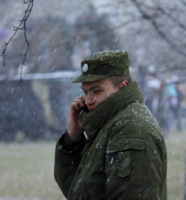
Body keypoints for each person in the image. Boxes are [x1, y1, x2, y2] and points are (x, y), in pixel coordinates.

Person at [54, 50, 167, 200]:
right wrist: (72, 139)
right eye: (86, 92)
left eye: (96, 91)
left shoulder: (131, 128)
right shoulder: (109, 124)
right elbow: (78, 192)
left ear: (123, 86)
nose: (87, 101)